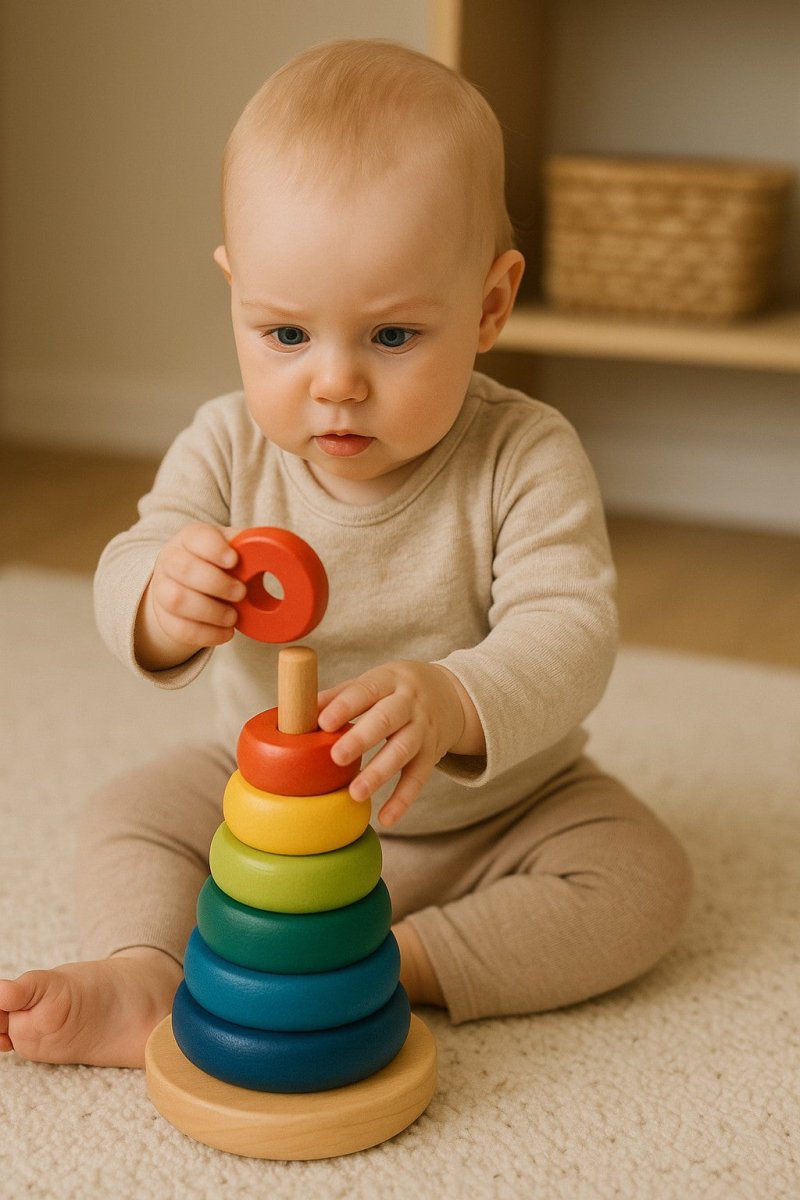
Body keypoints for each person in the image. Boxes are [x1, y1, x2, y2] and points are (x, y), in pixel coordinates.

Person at [0, 39, 692, 1069]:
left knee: (643, 881)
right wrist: (157, 594)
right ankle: (149, 971)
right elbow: (133, 554)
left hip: (489, 818)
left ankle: (387, 965)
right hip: (265, 809)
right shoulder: (226, 443)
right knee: (127, 814)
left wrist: (453, 702)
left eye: (391, 337)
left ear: (489, 306)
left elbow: (571, 630)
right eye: (284, 334)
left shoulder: (523, 454)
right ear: (234, 290)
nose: (333, 384)